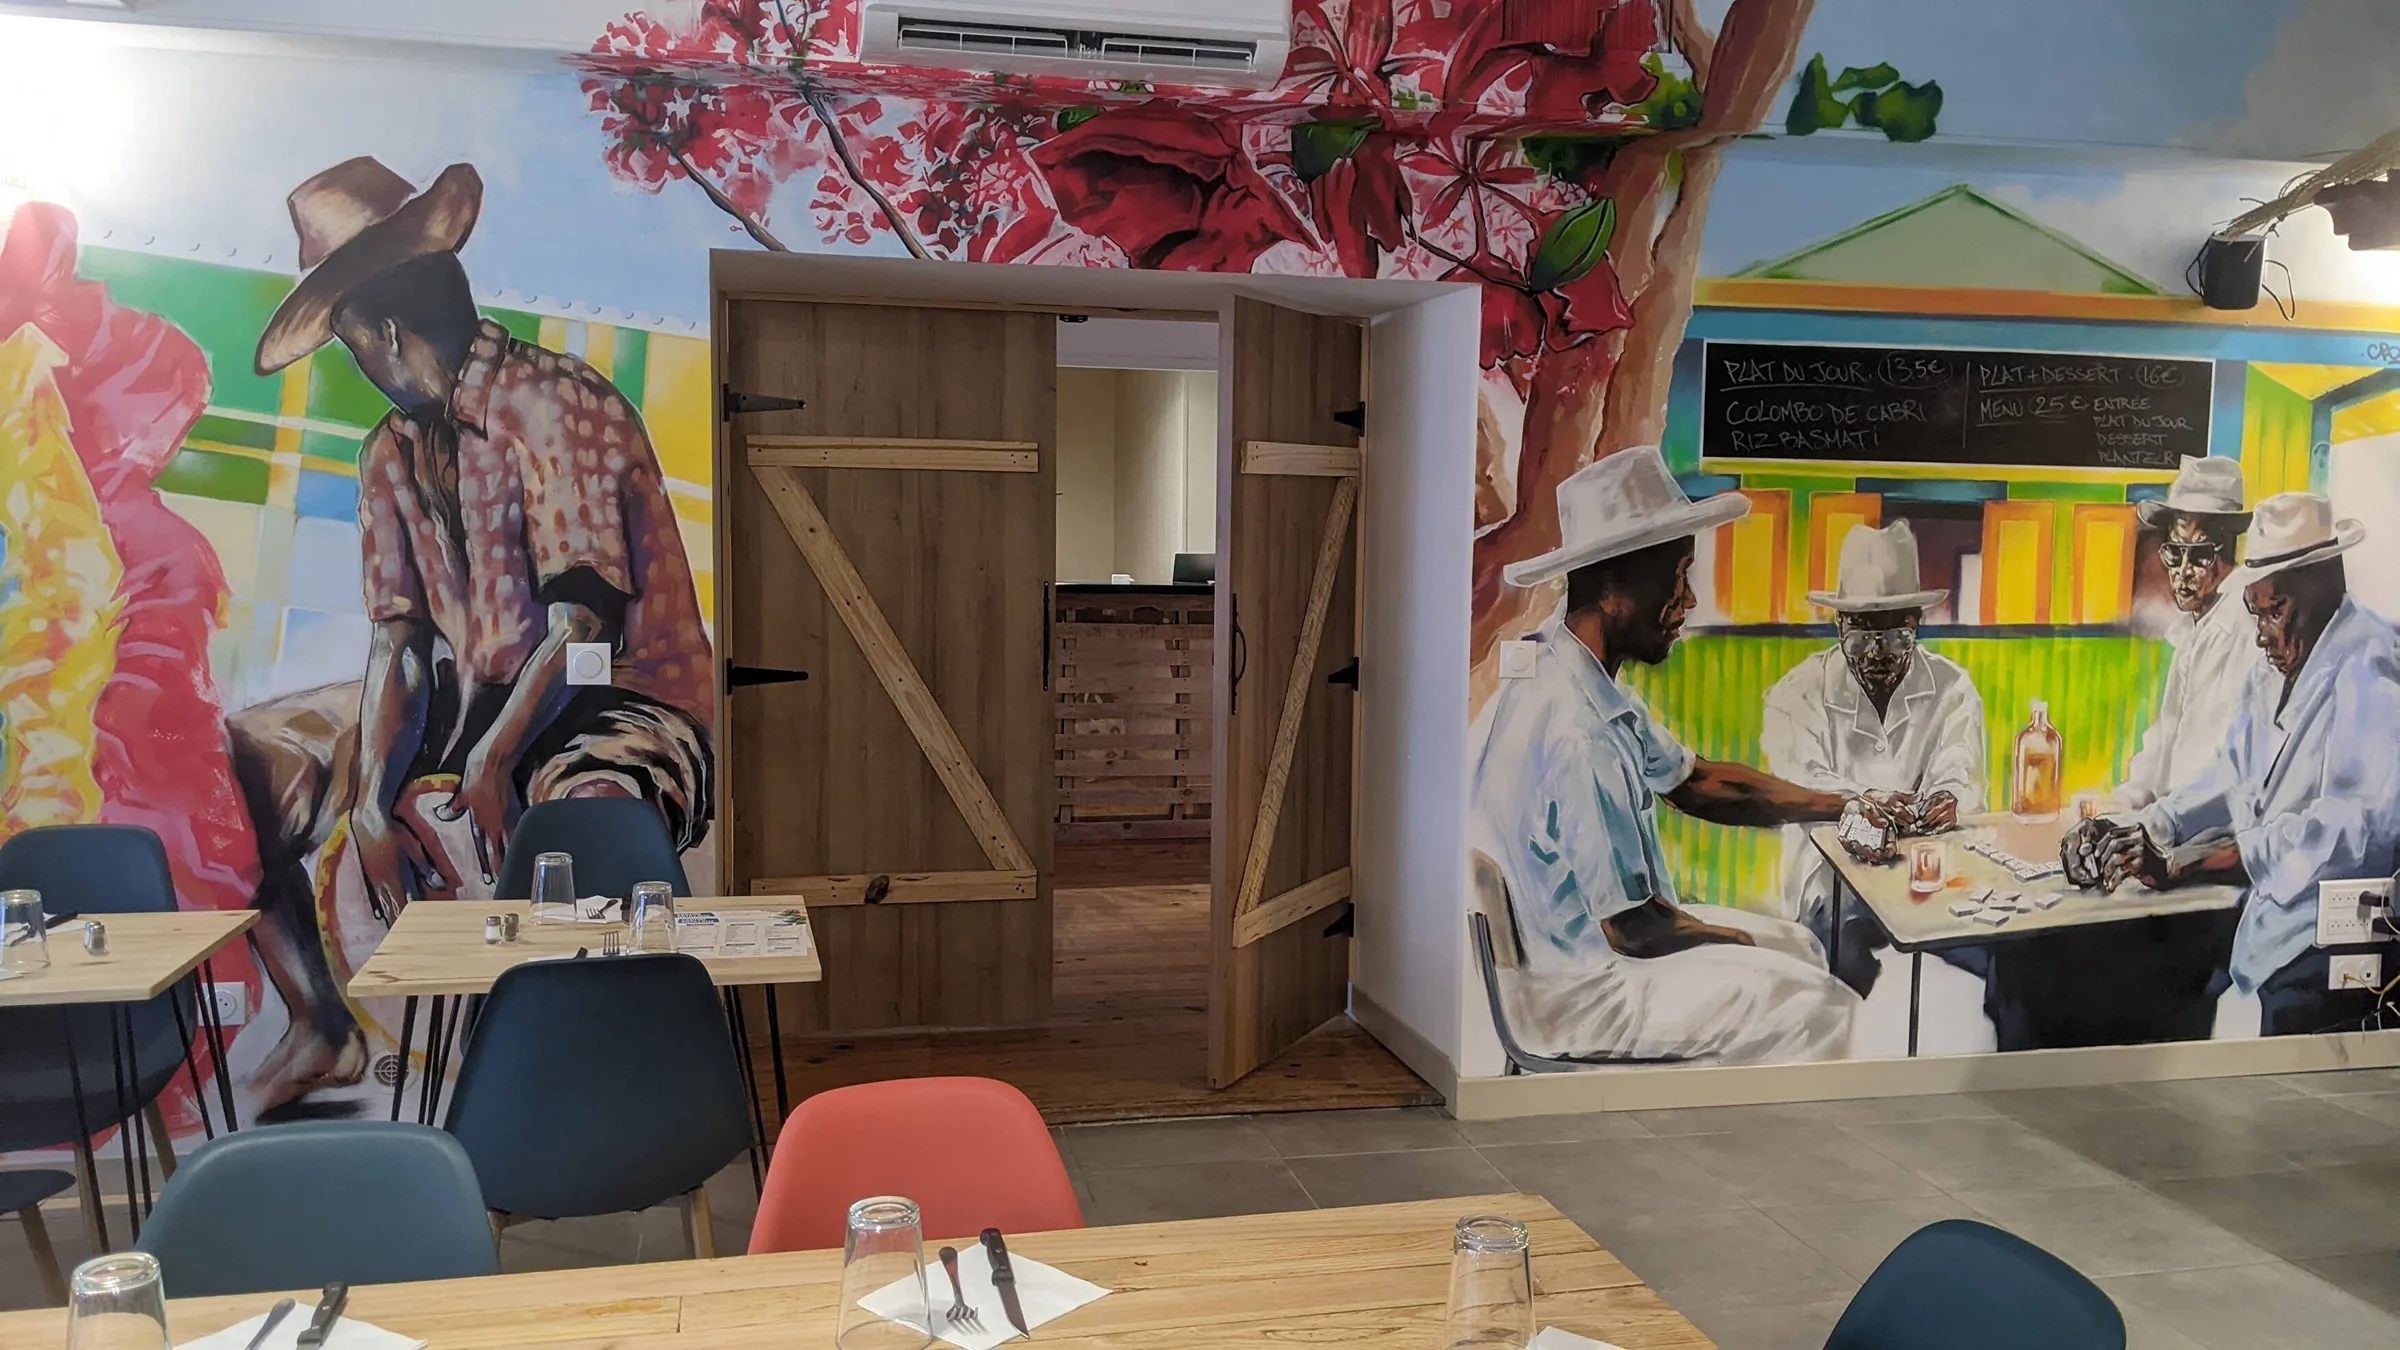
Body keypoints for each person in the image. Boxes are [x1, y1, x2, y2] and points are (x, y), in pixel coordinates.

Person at [225, 158, 717, 1111]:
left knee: (593, 802)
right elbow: (397, 647)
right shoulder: (389, 453)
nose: (358, 363)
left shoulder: (556, 404)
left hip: (622, 697)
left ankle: (593, 1073)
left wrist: (491, 766)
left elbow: (583, 633)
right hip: (477, 694)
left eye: (353, 344)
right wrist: (369, 801)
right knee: (247, 759)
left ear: (390, 334)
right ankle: (322, 1023)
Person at [1471, 447, 1903, 1066]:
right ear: (1615, 589)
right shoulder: (1579, 731)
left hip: (1578, 956)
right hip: (1582, 991)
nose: (1689, 602)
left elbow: (1698, 782)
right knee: (1824, 1006)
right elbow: (1637, 929)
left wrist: (1849, 804)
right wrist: (1742, 941)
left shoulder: (1568, 672)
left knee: (1804, 951)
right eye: (1676, 579)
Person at [2069, 492, 2400, 1038]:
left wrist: (2190, 862)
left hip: (2334, 952)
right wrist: (2146, 827)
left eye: (2276, 612)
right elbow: (2229, 774)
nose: (2262, 634)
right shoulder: (2275, 663)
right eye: (2256, 613)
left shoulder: (2370, 664)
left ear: (2325, 584)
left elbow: (2350, 830)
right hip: (2268, 932)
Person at [1762, 520, 1984, 995]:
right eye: (1863, 636)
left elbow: (1961, 769)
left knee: (1989, 951)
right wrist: (1865, 802)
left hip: (1929, 875)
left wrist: (1948, 796)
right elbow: (1802, 783)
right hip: (1830, 883)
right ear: (1839, 625)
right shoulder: (1796, 694)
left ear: (1916, 624)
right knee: (1843, 971)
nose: (1879, 653)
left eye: (1897, 636)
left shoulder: (1952, 688)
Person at [2119, 456, 2262, 809]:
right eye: (2173, 553)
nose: (2182, 572)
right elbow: (2165, 738)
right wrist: (2124, 801)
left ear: (2228, 553)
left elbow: (2221, 768)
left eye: (2198, 556)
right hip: (2170, 822)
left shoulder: (2246, 630)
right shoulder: (2191, 630)